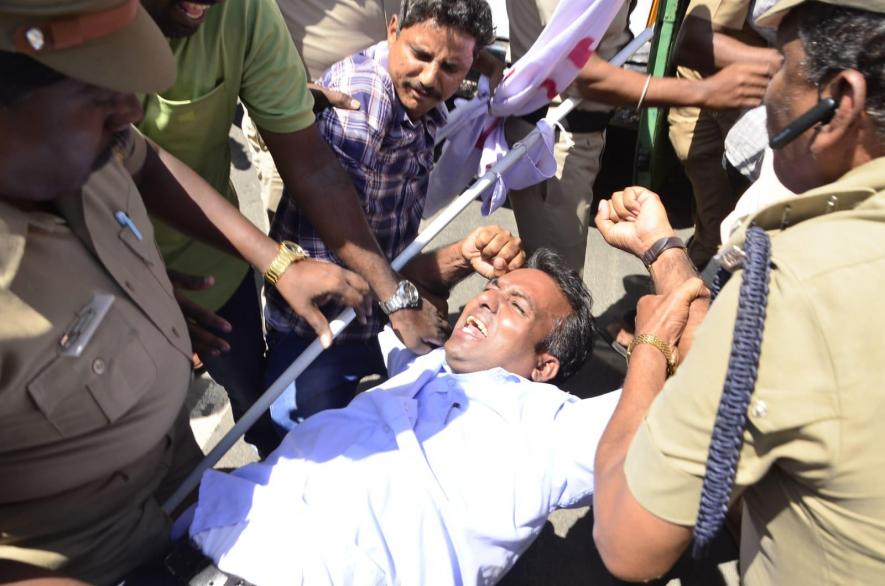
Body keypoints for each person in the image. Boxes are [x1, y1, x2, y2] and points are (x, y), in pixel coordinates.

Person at [0, 0, 367, 583]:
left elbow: (144, 159)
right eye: (96, 94)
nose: (131, 111)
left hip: (183, 486)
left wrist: (142, 302)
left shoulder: (90, 148)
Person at [592, 1, 885, 583]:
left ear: (839, 101)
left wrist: (649, 344)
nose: (768, 90)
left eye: (781, 66)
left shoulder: (791, 286)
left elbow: (628, 542)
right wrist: (665, 251)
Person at [166, 248, 619, 586]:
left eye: (517, 306)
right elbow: (400, 292)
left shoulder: (551, 429)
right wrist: (461, 256)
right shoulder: (423, 363)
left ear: (544, 366)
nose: (486, 301)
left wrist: (656, 256)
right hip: (205, 539)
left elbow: (658, 424)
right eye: (491, 289)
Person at [137, 0, 449, 454]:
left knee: (253, 398)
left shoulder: (245, 12)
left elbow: (313, 167)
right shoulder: (76, 20)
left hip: (212, 265)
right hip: (91, 270)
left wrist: (394, 294)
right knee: (134, 440)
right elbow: (130, 160)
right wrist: (276, 262)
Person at [265, 0, 497, 428]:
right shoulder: (365, 99)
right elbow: (337, 231)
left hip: (371, 314)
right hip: (323, 330)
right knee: (301, 442)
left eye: (450, 67)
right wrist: (401, 302)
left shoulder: (418, 100)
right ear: (392, 30)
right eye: (421, 55)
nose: (429, 78)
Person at [505, 0, 773, 276]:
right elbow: (576, 69)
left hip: (571, 135)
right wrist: (703, 91)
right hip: (553, 144)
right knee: (555, 283)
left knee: (552, 275)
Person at [667, 0, 783, 269]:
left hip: (762, 109)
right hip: (714, 104)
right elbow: (694, 42)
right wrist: (796, 62)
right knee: (718, 232)